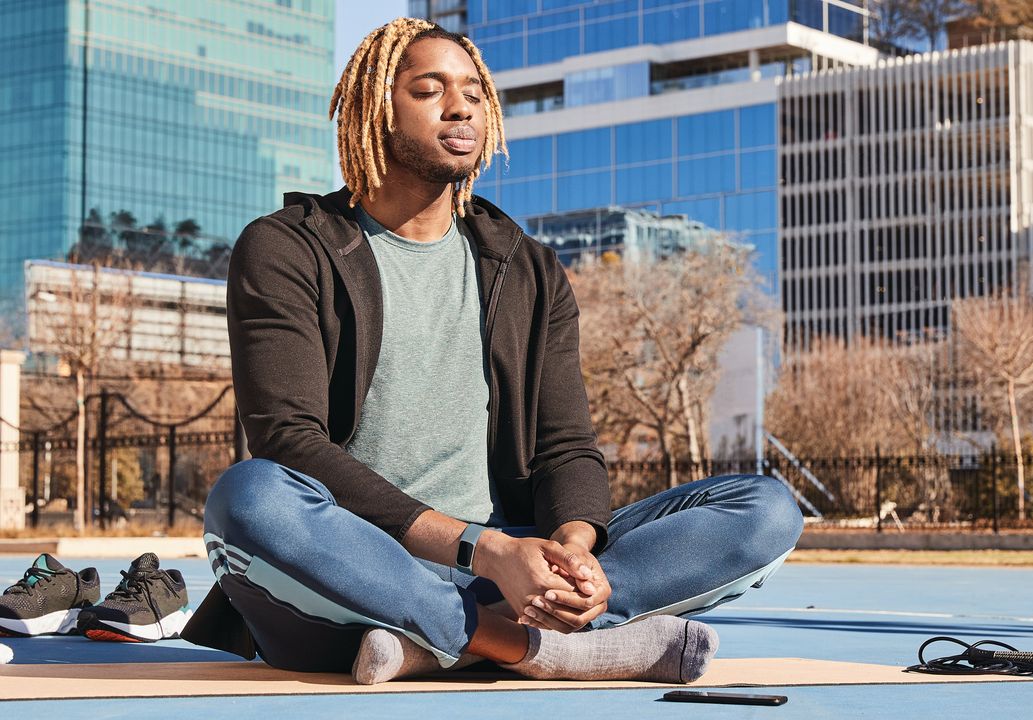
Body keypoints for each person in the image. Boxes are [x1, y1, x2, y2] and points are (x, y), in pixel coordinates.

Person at [182, 17, 803, 685]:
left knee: (764, 510)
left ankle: (457, 636)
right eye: (428, 90)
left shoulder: (526, 266)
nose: (460, 106)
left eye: (474, 93)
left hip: (514, 573)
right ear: (374, 107)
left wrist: (572, 550)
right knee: (249, 497)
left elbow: (566, 443)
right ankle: (549, 648)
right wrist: (482, 549)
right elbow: (289, 440)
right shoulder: (288, 248)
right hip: (352, 572)